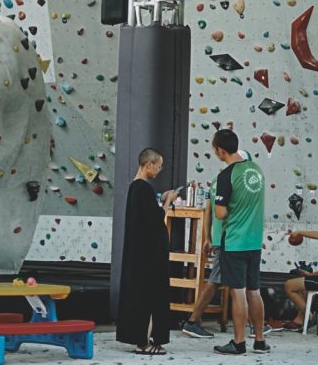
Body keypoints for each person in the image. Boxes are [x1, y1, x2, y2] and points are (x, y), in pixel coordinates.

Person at [182, 150, 271, 340]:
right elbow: (221, 211)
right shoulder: (236, 178)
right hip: (231, 240)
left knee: (223, 282)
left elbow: (209, 209)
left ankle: (254, 326)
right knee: (227, 284)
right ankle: (193, 320)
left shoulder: (218, 180)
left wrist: (207, 237)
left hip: (222, 237)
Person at [210, 130, 270, 354]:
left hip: (234, 241)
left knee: (238, 292)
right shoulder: (257, 170)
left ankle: (239, 341)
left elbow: (220, 213)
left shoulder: (226, 175)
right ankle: (260, 340)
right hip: (254, 241)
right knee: (254, 290)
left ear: (220, 151)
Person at [116, 148, 178, 354]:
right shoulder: (143, 188)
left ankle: (142, 338)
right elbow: (154, 220)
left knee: (143, 295)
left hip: (140, 252)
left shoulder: (136, 189)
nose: (159, 170)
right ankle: (147, 340)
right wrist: (167, 202)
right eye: (158, 166)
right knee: (152, 295)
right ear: (148, 164)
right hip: (149, 254)